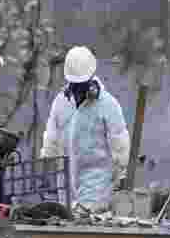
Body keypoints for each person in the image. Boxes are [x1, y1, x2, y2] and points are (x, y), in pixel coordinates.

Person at [41, 46, 131, 213]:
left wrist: (122, 173)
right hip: (66, 181)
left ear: (91, 79)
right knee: (66, 225)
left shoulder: (107, 104)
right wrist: (47, 163)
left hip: (96, 181)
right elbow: (52, 135)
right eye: (74, 85)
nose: (77, 90)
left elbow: (120, 141)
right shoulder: (61, 101)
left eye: (81, 85)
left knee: (86, 223)